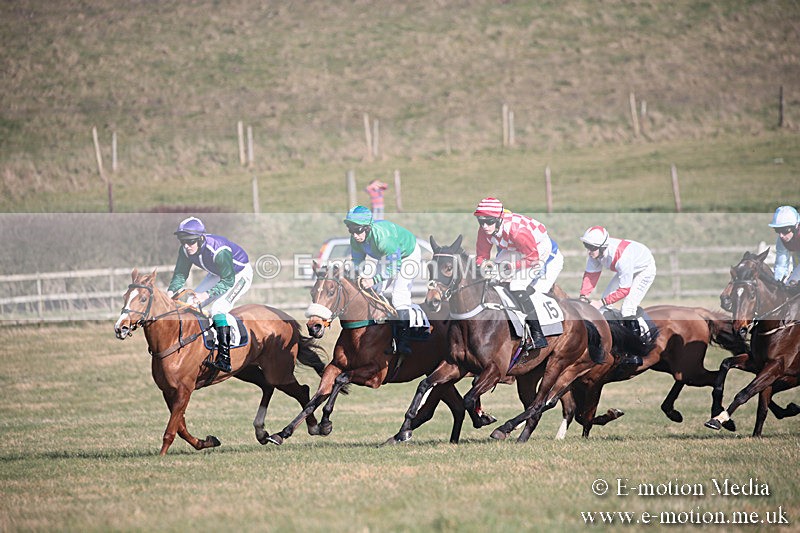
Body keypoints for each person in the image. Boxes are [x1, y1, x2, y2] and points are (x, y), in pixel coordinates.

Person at [473, 197, 564, 350]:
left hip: (537, 249)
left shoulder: (516, 231)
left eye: (488, 221)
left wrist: (511, 267)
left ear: (499, 219)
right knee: (493, 278)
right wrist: (482, 267)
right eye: (480, 221)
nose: (484, 226)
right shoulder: (485, 230)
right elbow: (482, 256)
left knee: (516, 284)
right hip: (514, 247)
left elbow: (532, 259)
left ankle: (538, 334)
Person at [167, 217, 253, 373]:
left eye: (190, 241)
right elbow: (180, 274)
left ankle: (224, 358)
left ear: (200, 239)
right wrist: (170, 292)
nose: (186, 246)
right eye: (182, 241)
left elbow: (228, 280)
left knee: (218, 309)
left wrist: (206, 294)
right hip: (216, 274)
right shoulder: (185, 250)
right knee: (191, 303)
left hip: (238, 275)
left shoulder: (218, 250)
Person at [344, 205, 420, 355]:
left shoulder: (383, 239)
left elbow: (395, 267)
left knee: (399, 296)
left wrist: (373, 279)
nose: (355, 235)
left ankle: (405, 341)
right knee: (377, 293)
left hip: (407, 255)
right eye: (351, 230)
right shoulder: (355, 240)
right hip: (387, 258)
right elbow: (357, 263)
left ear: (367, 228)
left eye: (358, 230)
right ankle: (384, 336)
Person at [578, 225, 656, 341]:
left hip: (644, 270)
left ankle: (634, 344)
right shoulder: (595, 253)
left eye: (592, 247)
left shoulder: (622, 257)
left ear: (602, 247)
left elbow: (624, 290)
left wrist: (600, 302)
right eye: (586, 246)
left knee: (627, 308)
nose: (589, 251)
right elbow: (591, 275)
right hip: (630, 266)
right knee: (604, 306)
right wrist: (583, 296)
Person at [768, 205, 800, 285]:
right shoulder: (781, 240)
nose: (781, 235)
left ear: (796, 226)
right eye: (777, 230)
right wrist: (777, 283)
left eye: (785, 230)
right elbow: (780, 266)